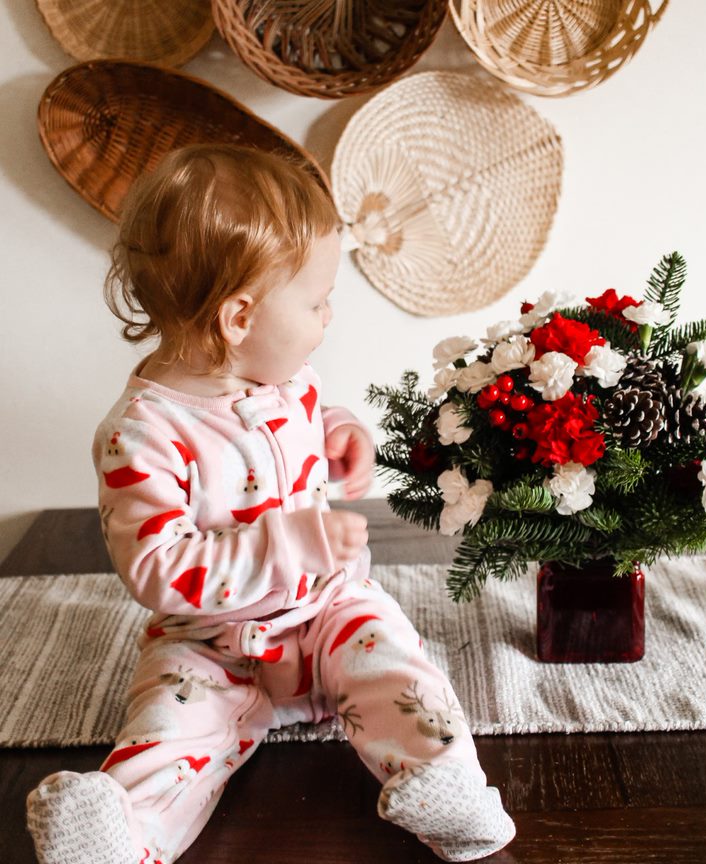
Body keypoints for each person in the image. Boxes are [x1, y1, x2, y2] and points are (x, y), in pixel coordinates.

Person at [25, 144, 515, 864]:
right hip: (210, 644)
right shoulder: (142, 435)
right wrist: (288, 544)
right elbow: (157, 568)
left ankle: (447, 787)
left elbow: (300, 426)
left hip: (327, 612)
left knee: (403, 677)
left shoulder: (284, 378)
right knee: (168, 734)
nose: (328, 314)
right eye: (317, 301)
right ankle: (116, 833)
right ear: (238, 318)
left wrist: (339, 428)